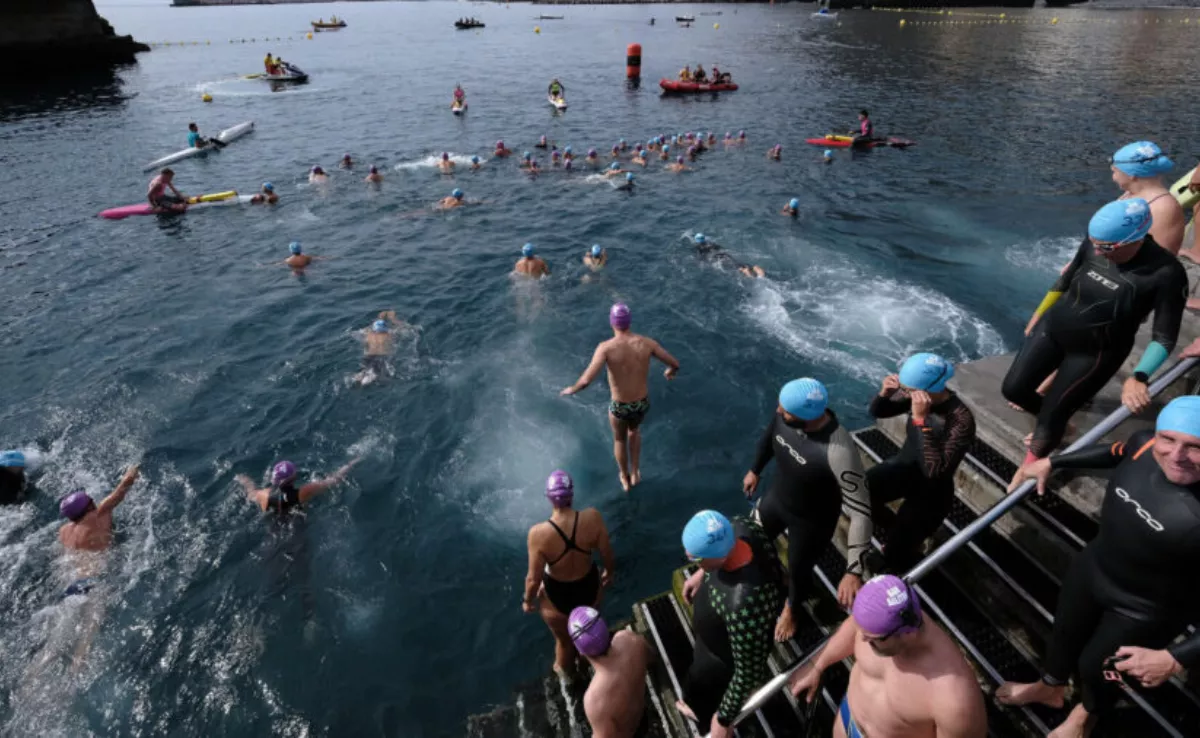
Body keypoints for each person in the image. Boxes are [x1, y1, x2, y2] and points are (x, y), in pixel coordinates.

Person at [997, 396, 1200, 738]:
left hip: (1146, 609)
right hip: (1093, 570)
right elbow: (1113, 452)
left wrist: (1175, 657)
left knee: (1097, 667)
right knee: (1064, 634)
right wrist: (1053, 461)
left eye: (1194, 447)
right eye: (1168, 438)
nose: (1176, 455)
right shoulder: (1143, 444)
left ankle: (1083, 719)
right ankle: (1050, 688)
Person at [1001, 199, 1186, 462]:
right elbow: (1064, 281)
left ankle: (1034, 462)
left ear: (1135, 239)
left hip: (1095, 353)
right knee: (1014, 390)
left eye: (1106, 247)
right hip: (1052, 329)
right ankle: (1055, 424)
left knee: (1051, 418)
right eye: (1094, 242)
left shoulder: (1166, 273)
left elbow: (1165, 336)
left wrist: (1140, 376)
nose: (1097, 251)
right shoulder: (1094, 244)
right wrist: (1039, 313)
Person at [744, 378, 874, 640]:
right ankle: (778, 577)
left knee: (799, 570)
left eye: (785, 412)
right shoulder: (786, 416)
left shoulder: (839, 451)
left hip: (812, 521)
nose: (778, 412)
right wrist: (754, 470)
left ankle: (792, 609)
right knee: (750, 540)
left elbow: (861, 512)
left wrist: (854, 570)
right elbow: (769, 438)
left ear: (807, 416)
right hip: (777, 499)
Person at [790, 575, 988, 738]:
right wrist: (817, 664)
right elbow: (855, 626)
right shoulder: (882, 619)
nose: (863, 638)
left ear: (906, 633)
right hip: (847, 720)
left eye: (872, 639)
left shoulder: (954, 700)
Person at [676, 510, 786, 738]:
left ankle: (701, 714)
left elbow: (749, 672)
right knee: (695, 681)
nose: (693, 563)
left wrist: (724, 717)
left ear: (717, 556)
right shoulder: (740, 526)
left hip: (720, 660)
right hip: (711, 639)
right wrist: (701, 573)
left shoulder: (746, 602)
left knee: (703, 691)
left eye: (695, 559)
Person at [868, 353, 975, 574]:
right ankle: (898, 532)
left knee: (895, 556)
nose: (904, 394)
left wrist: (920, 420)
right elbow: (878, 412)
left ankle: (907, 548)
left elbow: (934, 471)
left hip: (931, 493)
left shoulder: (960, 419)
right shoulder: (917, 397)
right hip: (904, 470)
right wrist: (884, 394)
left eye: (907, 390)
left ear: (928, 389)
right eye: (903, 389)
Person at [560, 303, 680, 490]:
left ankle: (624, 477)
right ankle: (636, 471)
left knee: (620, 439)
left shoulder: (606, 348)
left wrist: (571, 389)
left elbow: (585, 381)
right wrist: (670, 371)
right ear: (629, 322)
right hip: (641, 403)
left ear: (612, 323)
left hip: (620, 406)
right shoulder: (647, 343)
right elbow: (675, 363)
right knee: (634, 431)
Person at [523, 471, 616, 676]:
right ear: (571, 495)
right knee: (587, 632)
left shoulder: (538, 534)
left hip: (557, 598)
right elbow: (607, 553)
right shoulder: (592, 517)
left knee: (564, 642)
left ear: (549, 498)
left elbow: (532, 579)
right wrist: (609, 572)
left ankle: (568, 680)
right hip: (589, 589)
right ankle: (589, 666)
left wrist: (528, 601)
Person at [569, 606, 652, 738]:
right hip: (642, 714)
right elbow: (651, 656)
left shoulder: (594, 699)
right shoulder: (629, 638)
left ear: (580, 651)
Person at [1110, 141, 1185, 254]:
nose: (1113, 178)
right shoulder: (1131, 193)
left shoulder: (1163, 208)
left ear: (1131, 175)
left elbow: (1161, 256)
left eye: (1114, 172)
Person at [236, 458, 359, 516]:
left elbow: (250, 491)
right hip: (296, 532)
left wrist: (243, 479)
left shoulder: (263, 495)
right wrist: (351, 463)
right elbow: (334, 480)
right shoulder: (303, 492)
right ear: (293, 477)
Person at [59, 465, 139, 553]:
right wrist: (133, 468)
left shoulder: (63, 531)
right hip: (100, 561)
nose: (94, 501)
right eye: (91, 500)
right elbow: (126, 482)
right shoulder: (99, 514)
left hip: (70, 561)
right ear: (89, 506)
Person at [352, 311, 407, 385]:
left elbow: (364, 344)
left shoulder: (368, 334)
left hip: (368, 357)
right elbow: (403, 328)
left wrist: (380, 317)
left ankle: (360, 377)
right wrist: (393, 319)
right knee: (378, 375)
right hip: (382, 357)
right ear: (385, 329)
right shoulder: (390, 335)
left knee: (365, 370)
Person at [691, 233, 764, 278]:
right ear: (704, 238)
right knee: (739, 263)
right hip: (725, 255)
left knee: (737, 267)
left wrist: (700, 264)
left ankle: (749, 274)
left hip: (717, 257)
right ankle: (755, 268)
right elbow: (722, 249)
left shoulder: (698, 247)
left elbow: (699, 257)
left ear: (697, 240)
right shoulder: (711, 243)